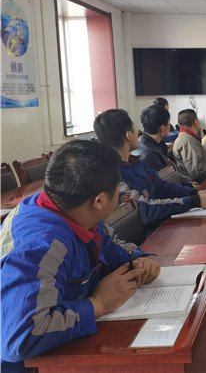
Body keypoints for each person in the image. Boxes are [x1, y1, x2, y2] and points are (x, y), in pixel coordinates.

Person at [0, 140, 161, 373]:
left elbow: (108, 244)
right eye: (118, 188)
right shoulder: (43, 245)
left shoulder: (72, 209)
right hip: (33, 365)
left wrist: (137, 258)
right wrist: (98, 303)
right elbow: (19, 337)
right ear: (99, 201)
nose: (120, 193)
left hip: (67, 344)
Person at [94, 109, 206, 236]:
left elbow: (161, 186)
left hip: (162, 224)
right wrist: (194, 201)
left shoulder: (136, 163)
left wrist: (195, 193)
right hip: (148, 236)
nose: (139, 133)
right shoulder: (113, 176)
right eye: (135, 129)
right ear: (128, 135)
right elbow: (145, 209)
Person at [173, 109, 206, 184]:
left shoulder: (187, 138)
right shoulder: (188, 141)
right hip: (199, 184)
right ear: (196, 122)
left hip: (205, 180)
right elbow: (197, 171)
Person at [138, 104, 172, 172]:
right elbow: (163, 177)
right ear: (163, 128)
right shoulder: (151, 155)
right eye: (169, 122)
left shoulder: (148, 142)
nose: (170, 125)